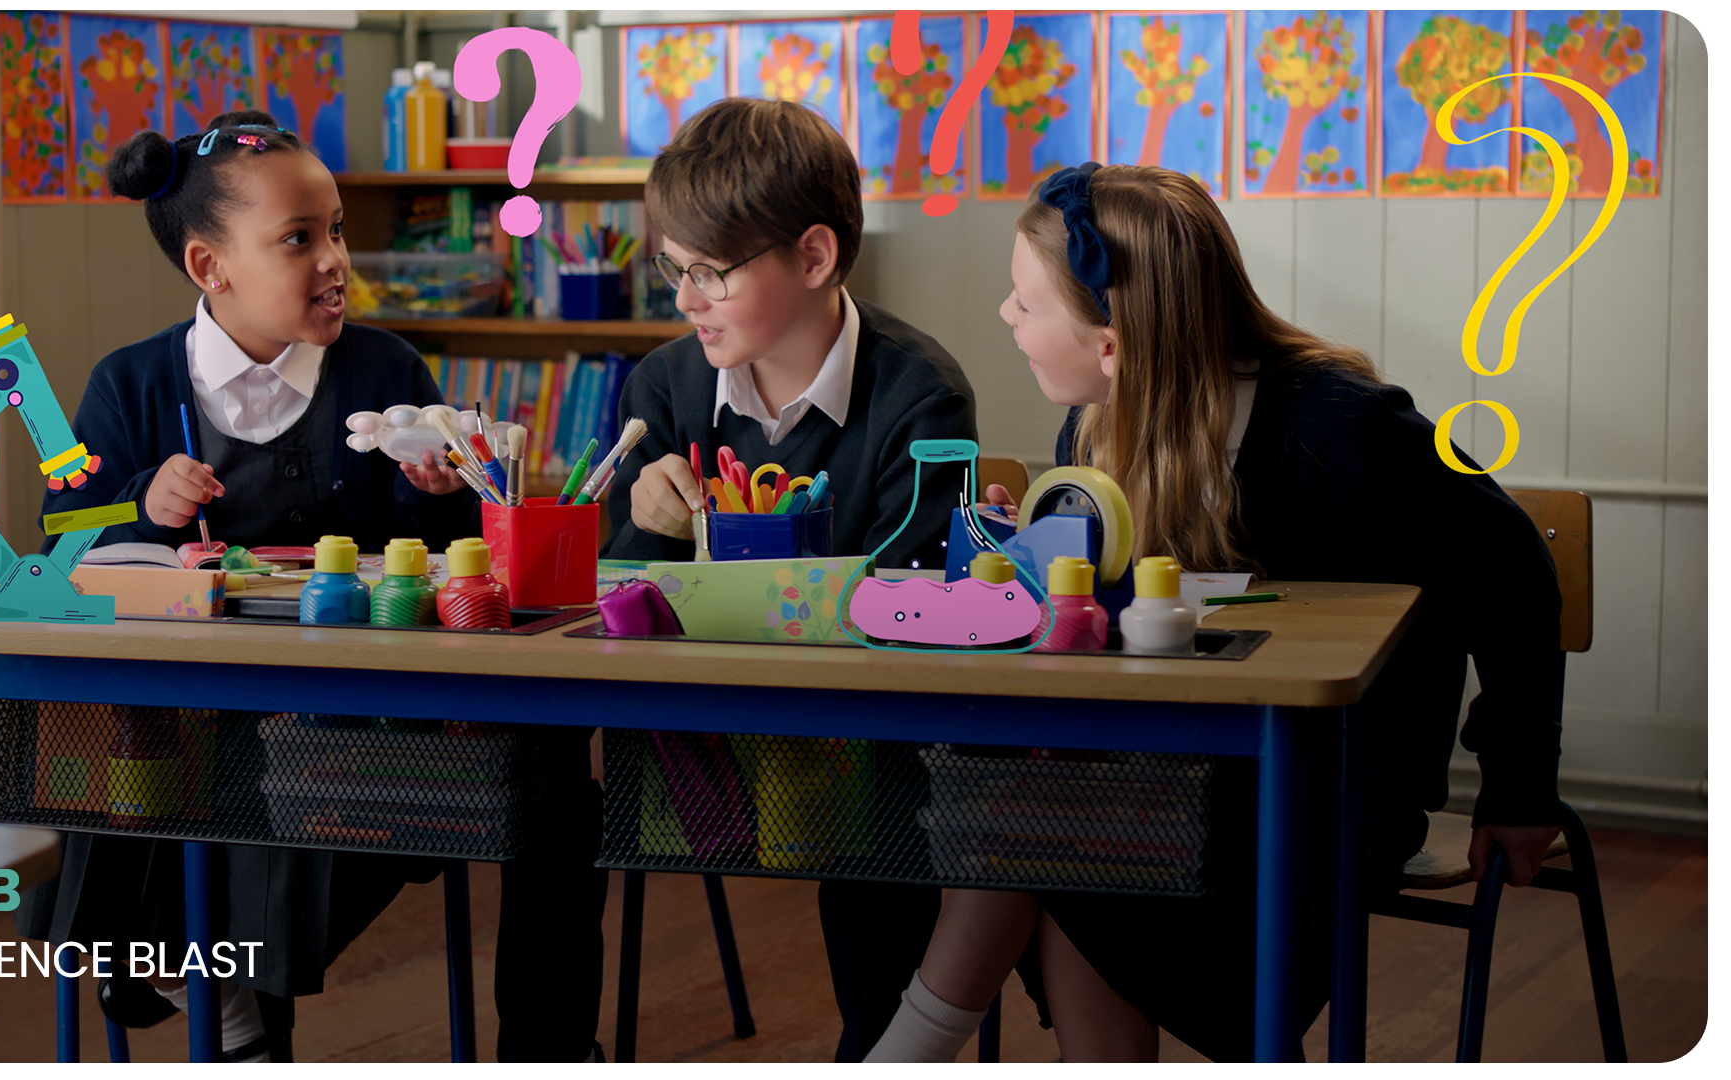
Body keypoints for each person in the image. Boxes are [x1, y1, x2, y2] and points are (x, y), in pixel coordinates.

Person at [863, 162, 1566, 1063]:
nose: (1006, 317)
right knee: (1043, 836)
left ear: (1112, 338)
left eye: (1025, 302)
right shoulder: (1094, 426)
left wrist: (1518, 782)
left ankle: (905, 1051)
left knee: (1041, 838)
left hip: (1322, 791)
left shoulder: (1344, 430)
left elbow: (1514, 570)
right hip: (1167, 770)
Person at [15, 109, 606, 1062]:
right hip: (186, 713)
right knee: (113, 796)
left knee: (439, 779)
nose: (335, 257)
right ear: (211, 268)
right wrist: (142, 503)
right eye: (299, 238)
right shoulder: (127, 387)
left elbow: (460, 567)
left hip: (357, 719)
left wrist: (438, 499)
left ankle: (235, 994)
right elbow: (61, 538)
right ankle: (200, 985)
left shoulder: (383, 370)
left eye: (335, 229)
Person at [599, 97, 978, 1061]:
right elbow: (619, 594)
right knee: (553, 795)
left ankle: (881, 1047)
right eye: (670, 269)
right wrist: (641, 525)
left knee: (887, 820)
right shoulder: (665, 389)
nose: (683, 299)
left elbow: (922, 597)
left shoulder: (920, 396)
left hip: (862, 731)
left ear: (813, 259)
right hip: (701, 730)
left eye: (709, 274)